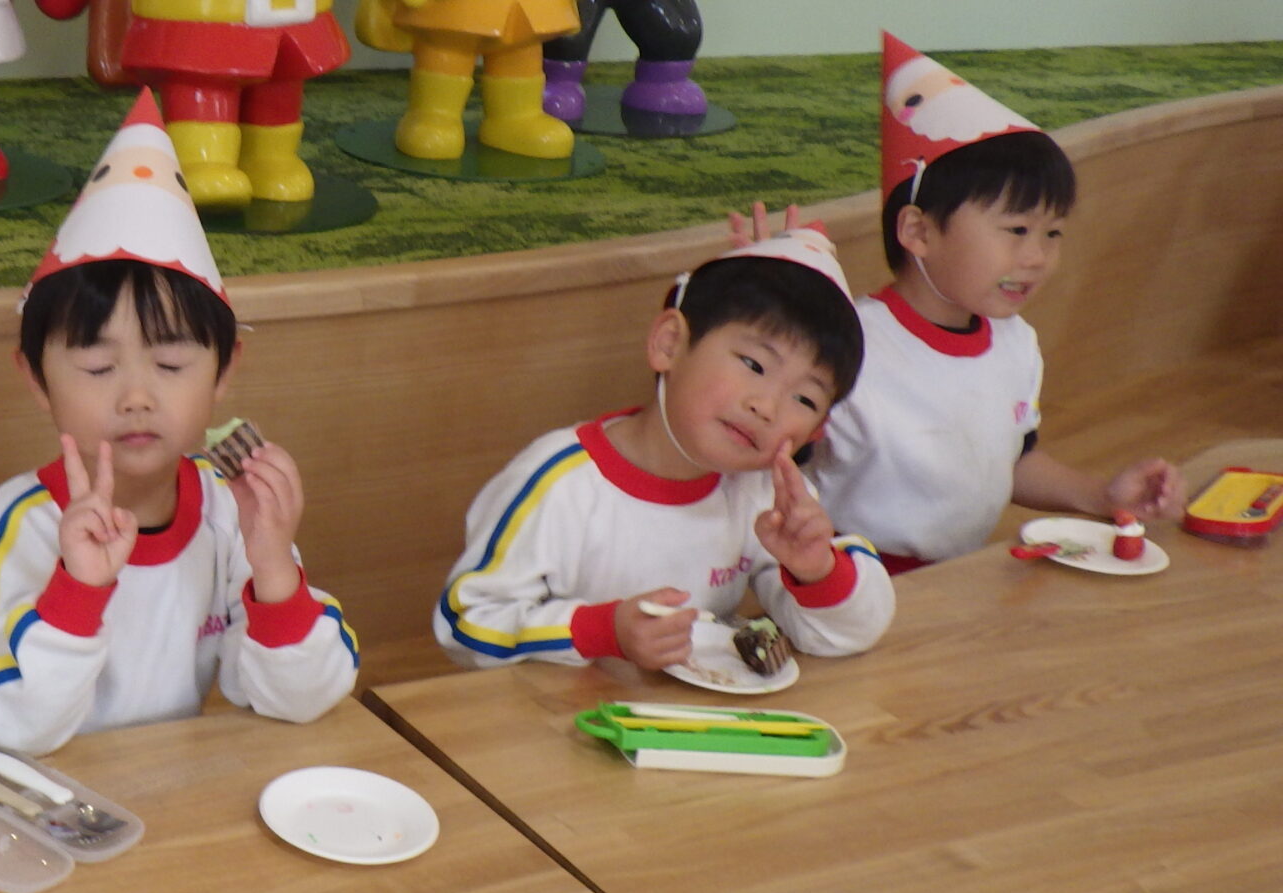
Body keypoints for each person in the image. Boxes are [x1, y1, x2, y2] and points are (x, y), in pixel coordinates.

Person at [0, 94, 358, 754]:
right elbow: (10, 724)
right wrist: (80, 587)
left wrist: (272, 566)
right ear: (36, 378)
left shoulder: (230, 511)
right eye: (97, 366)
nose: (137, 396)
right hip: (36, 789)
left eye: (170, 364)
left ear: (224, 372)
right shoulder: (25, 522)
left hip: (168, 786)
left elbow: (301, 699)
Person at [439, 225, 894, 671]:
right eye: (754, 364)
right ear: (670, 343)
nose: (766, 407)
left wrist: (818, 571)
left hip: (703, 716)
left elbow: (843, 636)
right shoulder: (559, 485)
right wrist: (603, 631)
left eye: (805, 399)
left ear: (815, 431)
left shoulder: (766, 499)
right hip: (560, 714)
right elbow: (465, 624)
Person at [806, 35, 1183, 572]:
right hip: (846, 581)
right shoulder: (849, 344)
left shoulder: (1016, 343)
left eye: (1053, 233)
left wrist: (1103, 496)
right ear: (918, 231)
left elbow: (1011, 462)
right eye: (1016, 230)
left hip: (958, 577)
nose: (1037, 258)